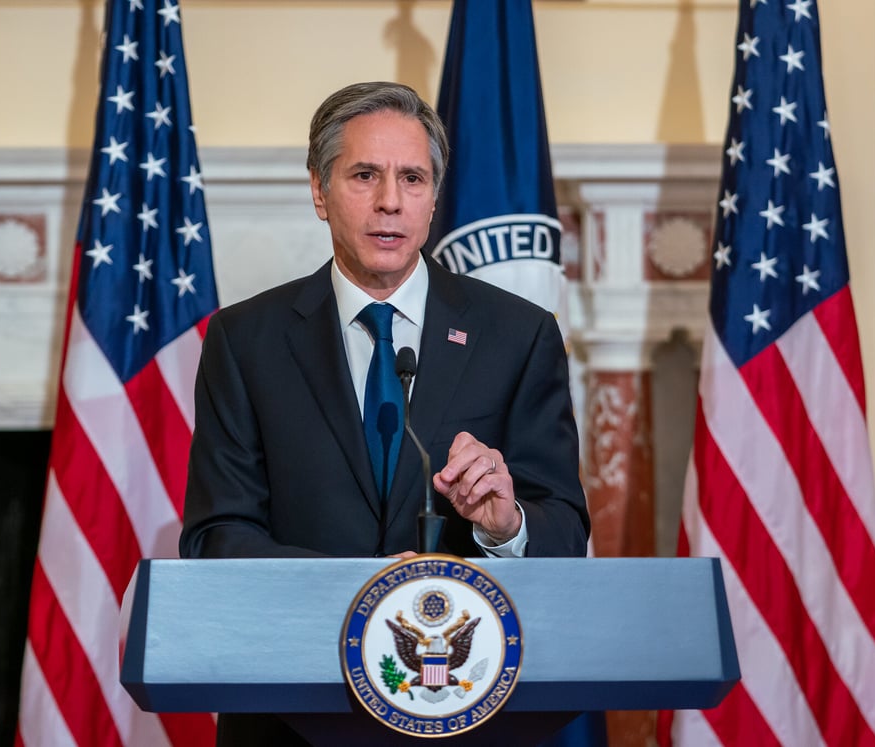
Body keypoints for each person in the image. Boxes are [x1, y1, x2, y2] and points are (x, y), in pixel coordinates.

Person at [178, 81, 589, 743]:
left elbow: (564, 533)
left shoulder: (519, 335)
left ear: (434, 196)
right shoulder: (245, 340)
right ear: (320, 191)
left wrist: (505, 523)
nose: (390, 201)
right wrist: (365, 590)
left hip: (467, 713)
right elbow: (216, 538)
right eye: (365, 175)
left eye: (412, 178)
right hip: (290, 716)